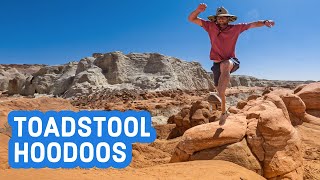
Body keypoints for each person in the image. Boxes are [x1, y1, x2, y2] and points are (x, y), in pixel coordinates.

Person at [188, 3, 275, 122]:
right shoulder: (210, 26)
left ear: (228, 19)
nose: (221, 18)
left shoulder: (235, 28)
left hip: (231, 61)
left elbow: (253, 24)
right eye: (219, 17)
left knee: (225, 65)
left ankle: (219, 96)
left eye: (223, 16)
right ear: (216, 19)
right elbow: (191, 19)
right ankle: (224, 112)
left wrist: (264, 22)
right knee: (219, 88)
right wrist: (198, 10)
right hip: (216, 64)